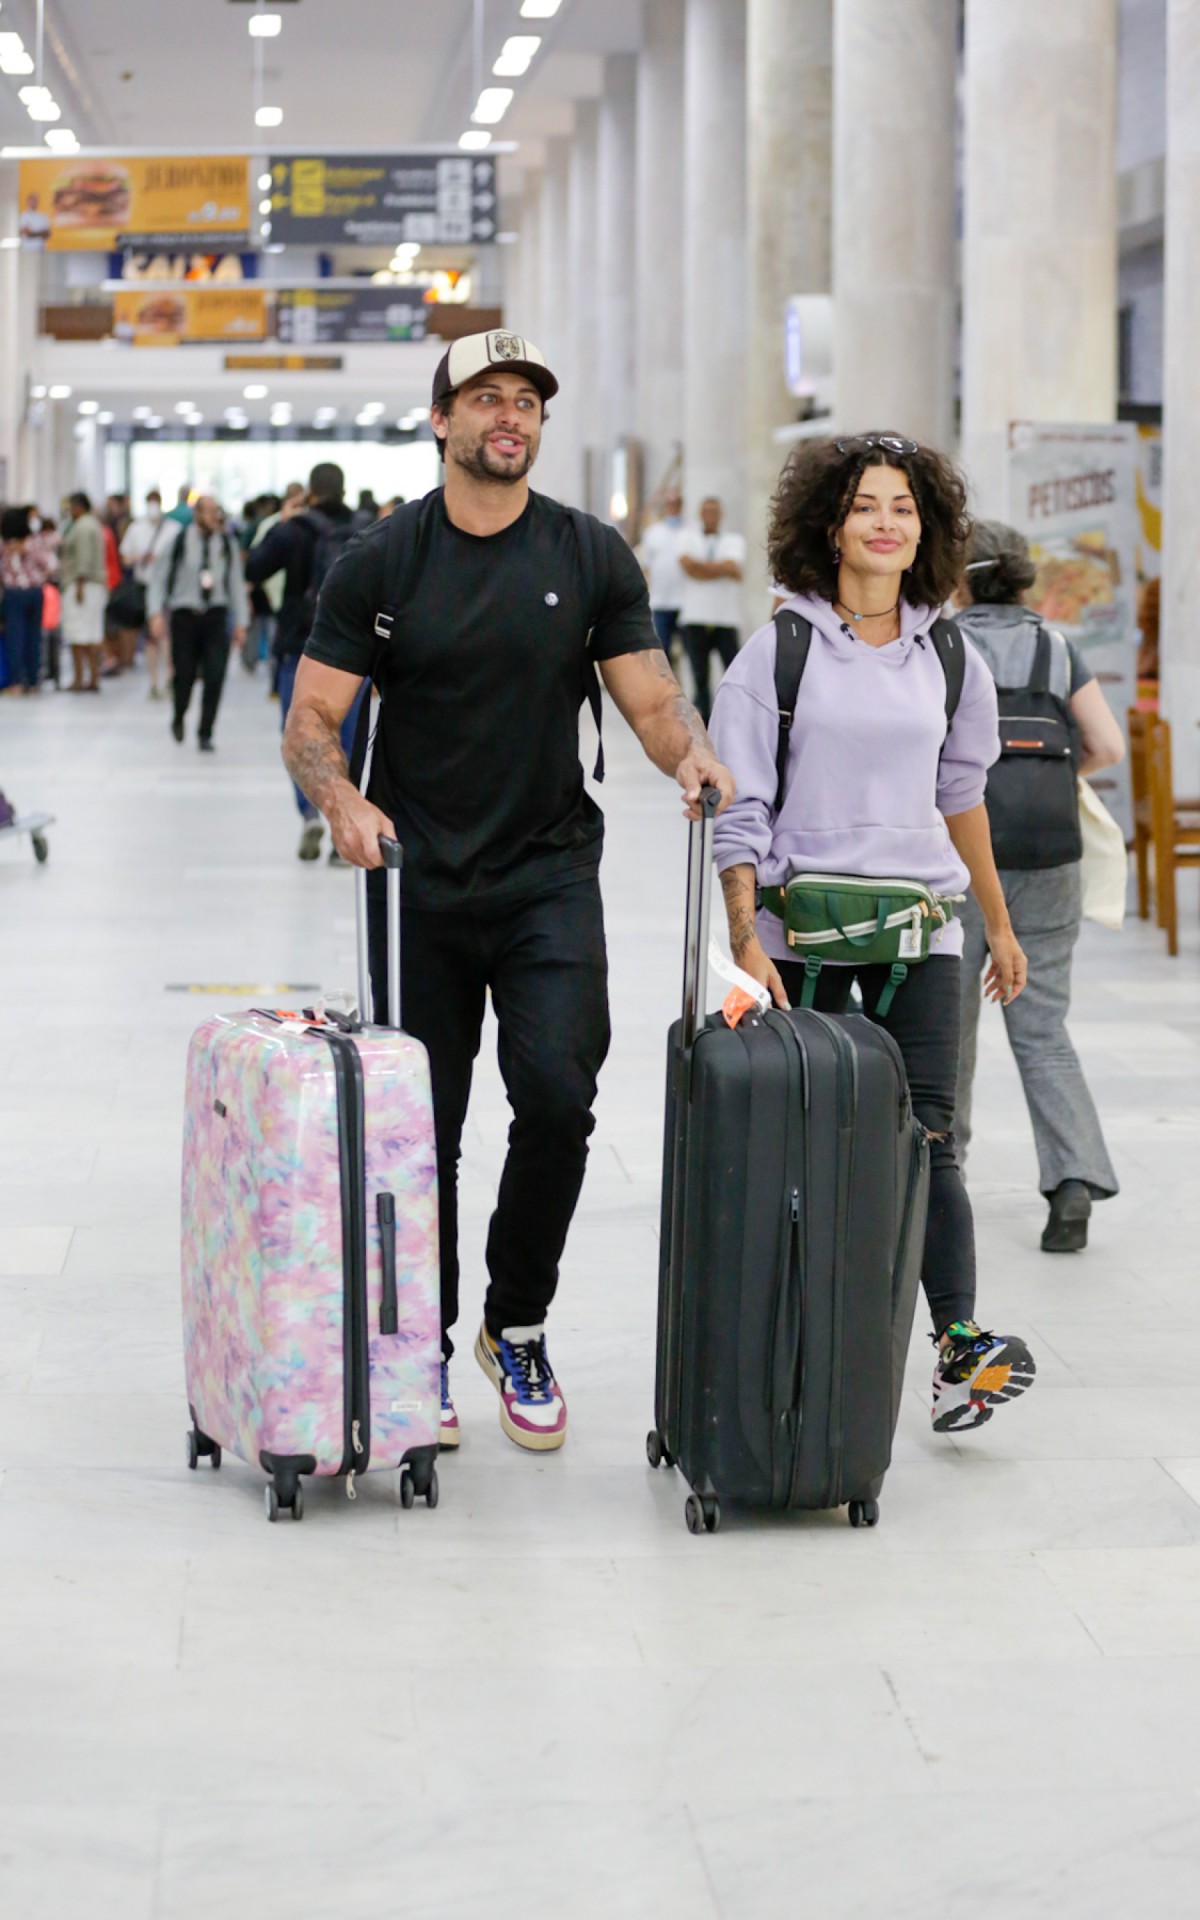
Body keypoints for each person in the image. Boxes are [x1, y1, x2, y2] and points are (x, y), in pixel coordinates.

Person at [282, 328, 733, 1454]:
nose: (511, 416)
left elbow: (648, 697)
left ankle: (514, 1323)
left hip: (546, 873)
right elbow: (312, 724)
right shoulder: (383, 562)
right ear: (441, 421)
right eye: (486, 396)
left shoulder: (589, 554)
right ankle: (418, 1348)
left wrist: (688, 751)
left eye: (527, 399)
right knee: (420, 1135)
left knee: (560, 1098)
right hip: (415, 881)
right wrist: (342, 803)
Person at [709, 432, 1037, 1436]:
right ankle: (795, 1342)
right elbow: (739, 809)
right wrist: (743, 936)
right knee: (803, 1133)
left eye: (904, 506)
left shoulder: (950, 652)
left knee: (930, 1134)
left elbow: (962, 796)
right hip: (798, 934)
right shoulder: (781, 650)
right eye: (866, 505)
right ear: (830, 525)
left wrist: (996, 919)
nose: (887, 523)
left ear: (928, 528)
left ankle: (958, 1347)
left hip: (920, 929)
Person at [952, 520, 1124, 1253]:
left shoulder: (943, 642)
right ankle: (1073, 1182)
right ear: (1023, 579)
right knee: (1044, 1029)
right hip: (1052, 857)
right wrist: (1052, 784)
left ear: (959, 578)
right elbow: (1107, 745)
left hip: (961, 858)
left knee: (949, 1028)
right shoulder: (1056, 647)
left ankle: (940, 1175)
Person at [245, 465, 361, 861]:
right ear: (343, 489)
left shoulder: (293, 530)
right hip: (356, 651)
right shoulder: (365, 530)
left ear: (311, 491)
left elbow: (253, 569)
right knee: (348, 737)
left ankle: (311, 814)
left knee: (301, 732)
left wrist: (280, 522)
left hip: (302, 644)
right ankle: (343, 825)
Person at [148, 493, 247, 751]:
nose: (215, 516)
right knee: (184, 674)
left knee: (215, 675)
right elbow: (158, 578)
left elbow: (236, 582)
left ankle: (206, 732)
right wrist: (155, 613)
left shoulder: (226, 543)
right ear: (197, 513)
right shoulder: (179, 540)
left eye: (217, 511)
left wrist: (241, 622)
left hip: (215, 615)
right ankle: (179, 715)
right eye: (209, 511)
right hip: (185, 615)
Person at [678, 495, 745, 724]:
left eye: (714, 511)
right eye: (706, 511)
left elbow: (733, 567)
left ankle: (734, 719)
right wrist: (721, 569)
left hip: (725, 619)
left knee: (734, 673)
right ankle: (704, 723)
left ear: (721, 515)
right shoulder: (687, 538)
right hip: (695, 617)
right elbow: (688, 567)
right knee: (699, 676)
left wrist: (702, 568)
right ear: (700, 514)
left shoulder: (733, 540)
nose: (710, 516)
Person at [120, 490, 169, 697]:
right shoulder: (136, 528)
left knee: (166, 636)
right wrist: (141, 557)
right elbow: (125, 557)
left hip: (167, 589)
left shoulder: (172, 529)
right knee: (150, 637)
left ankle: (169, 678)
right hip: (144, 588)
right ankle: (153, 682)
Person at [0, 506, 54, 694]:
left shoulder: (32, 544)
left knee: (29, 636)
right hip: (20, 592)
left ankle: (30, 679)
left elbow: (50, 564)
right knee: (19, 637)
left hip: (25, 592)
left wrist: (26, 550)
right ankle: (22, 680)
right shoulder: (6, 545)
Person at [59, 492, 108, 693]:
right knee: (89, 633)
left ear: (79, 506)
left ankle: (83, 678)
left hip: (83, 585)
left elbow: (84, 558)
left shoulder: (83, 527)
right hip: (91, 585)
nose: (69, 512)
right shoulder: (92, 525)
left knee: (80, 634)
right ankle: (91, 677)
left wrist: (79, 585)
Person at [637, 485, 689, 670]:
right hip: (660, 602)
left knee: (688, 652)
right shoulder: (653, 533)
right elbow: (646, 567)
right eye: (670, 504)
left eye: (677, 504)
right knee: (661, 651)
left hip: (685, 602)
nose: (673, 507)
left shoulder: (689, 532)